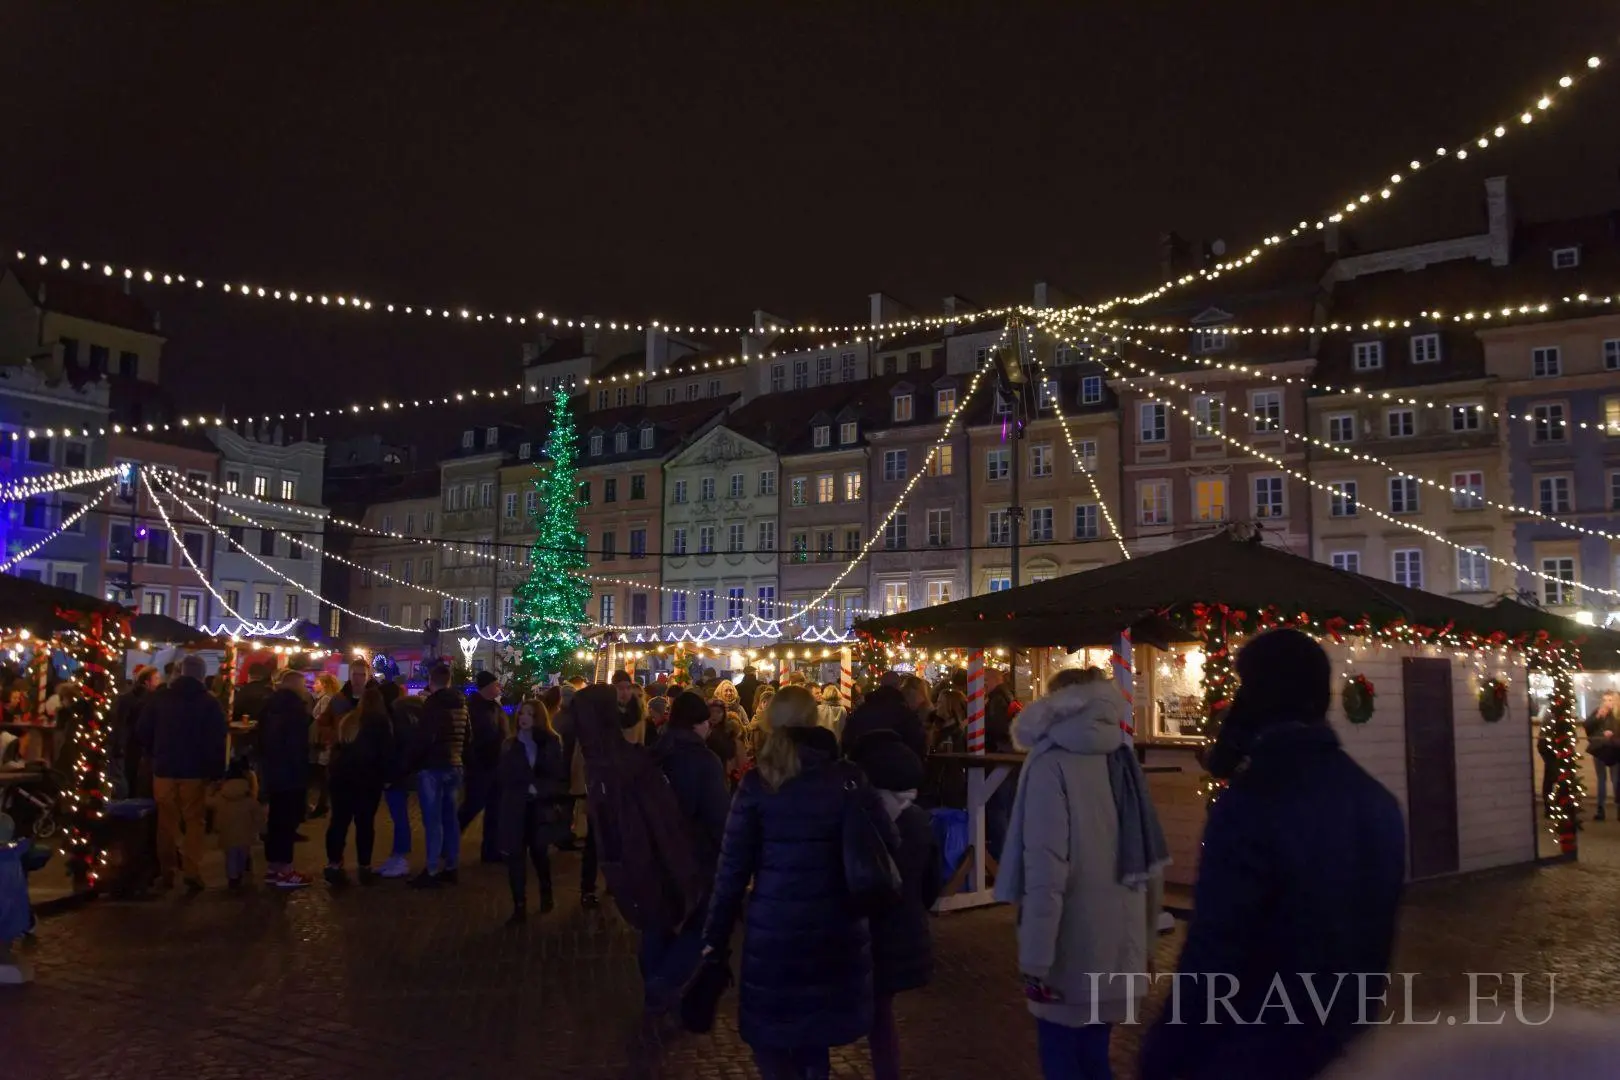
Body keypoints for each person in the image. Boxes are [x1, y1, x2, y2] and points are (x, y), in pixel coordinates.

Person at [1139, 630, 1405, 1080]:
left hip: (1252, 1052)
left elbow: (1214, 954)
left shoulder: (1252, 802)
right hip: (1345, 1046)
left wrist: (1166, 1057)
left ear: (1258, 696)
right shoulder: (1376, 801)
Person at [702, 685, 899, 1080]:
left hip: (775, 929)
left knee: (775, 1036)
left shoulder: (758, 783)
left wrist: (715, 936)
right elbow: (886, 844)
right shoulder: (847, 779)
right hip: (835, 924)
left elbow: (731, 871)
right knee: (815, 1035)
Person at [995, 668, 1167, 1080]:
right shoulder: (1121, 757)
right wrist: (1144, 944)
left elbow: (1046, 868)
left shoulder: (1050, 765)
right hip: (1117, 937)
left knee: (1062, 1058)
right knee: (1093, 1056)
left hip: (1069, 943)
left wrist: (1036, 956)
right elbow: (1149, 862)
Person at [850, 731, 942, 1080]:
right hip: (904, 932)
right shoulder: (918, 820)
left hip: (867, 932)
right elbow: (931, 885)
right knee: (881, 1016)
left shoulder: (862, 818)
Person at [646, 692, 730, 1011]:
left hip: (657, 849)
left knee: (660, 916)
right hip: (695, 852)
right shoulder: (703, 760)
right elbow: (717, 814)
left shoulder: (657, 750)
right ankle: (665, 980)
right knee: (701, 920)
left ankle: (654, 977)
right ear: (699, 724)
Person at [139, 654, 227, 892]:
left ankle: (167, 870)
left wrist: (154, 754)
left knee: (166, 822)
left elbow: (143, 731)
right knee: (194, 821)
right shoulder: (209, 702)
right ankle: (191, 870)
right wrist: (217, 772)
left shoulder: (160, 698)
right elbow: (217, 740)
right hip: (194, 770)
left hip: (164, 768)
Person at [497, 695, 568, 923]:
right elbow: (503, 776)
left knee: (539, 854)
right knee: (515, 856)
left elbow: (556, 774)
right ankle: (519, 905)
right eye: (522, 714)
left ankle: (546, 892)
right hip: (516, 806)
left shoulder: (550, 741)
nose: (524, 718)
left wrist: (539, 788)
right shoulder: (510, 744)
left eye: (530, 714)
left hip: (538, 806)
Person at [324, 682, 396, 886]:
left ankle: (334, 863)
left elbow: (337, 748)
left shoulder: (349, 720)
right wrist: (388, 777)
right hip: (367, 779)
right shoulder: (382, 723)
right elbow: (386, 754)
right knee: (365, 824)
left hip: (341, 778)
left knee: (339, 821)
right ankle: (364, 865)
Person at [409, 663, 469, 887]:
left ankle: (432, 868)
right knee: (450, 818)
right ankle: (451, 866)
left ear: (431, 681)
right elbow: (467, 736)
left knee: (433, 821)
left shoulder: (432, 704)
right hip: (455, 765)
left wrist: (412, 762)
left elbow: (424, 738)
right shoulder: (462, 703)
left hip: (433, 767)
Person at [256, 669, 315, 888]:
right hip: (290, 774)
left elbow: (261, 739)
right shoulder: (295, 709)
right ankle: (285, 870)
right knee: (286, 823)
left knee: (275, 821)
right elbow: (297, 746)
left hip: (272, 771)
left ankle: (273, 867)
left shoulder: (269, 706)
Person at [458, 670, 507, 864]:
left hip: (495, 765)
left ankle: (490, 850)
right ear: (487, 687)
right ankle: (449, 841)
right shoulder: (475, 707)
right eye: (496, 684)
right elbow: (474, 738)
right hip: (481, 766)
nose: (499, 687)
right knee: (472, 806)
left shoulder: (494, 706)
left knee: (494, 809)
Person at [378, 680, 421, 878]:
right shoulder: (406, 713)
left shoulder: (395, 716)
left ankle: (400, 857)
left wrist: (392, 775)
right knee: (399, 815)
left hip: (396, 774)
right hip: (403, 772)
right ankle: (397, 855)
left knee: (399, 816)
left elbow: (399, 748)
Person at [207, 758, 264, 892]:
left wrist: (211, 788)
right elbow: (258, 815)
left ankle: (233, 877)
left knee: (230, 856)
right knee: (242, 854)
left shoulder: (222, 797)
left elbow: (207, 802)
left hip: (226, 833)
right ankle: (241, 871)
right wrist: (262, 830)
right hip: (245, 833)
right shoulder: (248, 799)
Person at [983, 667, 1019, 862]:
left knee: (998, 809)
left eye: (985, 681)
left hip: (999, 756)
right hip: (1008, 756)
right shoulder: (1007, 696)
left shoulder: (997, 699)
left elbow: (996, 728)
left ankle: (1001, 855)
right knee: (1006, 807)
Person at [840, 683, 927, 760]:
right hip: (900, 767)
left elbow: (846, 740)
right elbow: (917, 741)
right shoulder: (906, 715)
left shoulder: (862, 712)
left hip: (866, 766)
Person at [112, 665, 160, 798]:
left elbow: (119, 723)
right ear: (147, 681)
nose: (159, 682)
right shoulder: (152, 700)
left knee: (131, 781)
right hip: (141, 747)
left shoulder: (126, 698)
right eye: (156, 679)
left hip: (130, 746)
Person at [1584, 691, 1620, 821]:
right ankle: (1600, 809)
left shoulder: (1618, 714)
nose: (1607, 702)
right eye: (1605, 700)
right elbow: (1587, 726)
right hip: (1599, 749)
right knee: (1601, 780)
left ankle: (1618, 808)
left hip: (1614, 750)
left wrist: (1612, 735)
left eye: (1610, 700)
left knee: (1616, 780)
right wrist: (1598, 716)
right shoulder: (1598, 712)